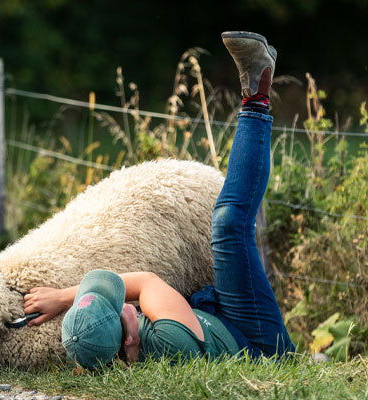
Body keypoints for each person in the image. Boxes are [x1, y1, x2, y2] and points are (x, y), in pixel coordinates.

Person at [22, 31, 296, 369]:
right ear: (129, 337)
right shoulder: (169, 339)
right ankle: (257, 93)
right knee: (228, 224)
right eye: (113, 303)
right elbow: (144, 282)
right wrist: (65, 296)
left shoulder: (120, 346)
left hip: (219, 325)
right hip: (259, 340)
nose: (120, 300)